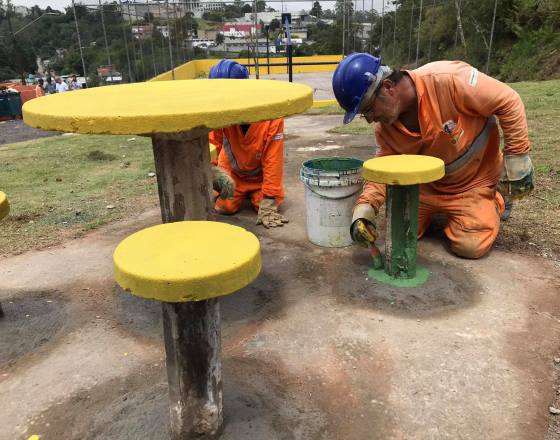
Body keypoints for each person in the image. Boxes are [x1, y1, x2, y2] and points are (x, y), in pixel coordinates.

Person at [332, 53, 534, 259]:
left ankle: (496, 199)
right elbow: (384, 169)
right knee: (400, 233)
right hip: (426, 187)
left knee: (470, 246)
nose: (369, 119)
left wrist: (517, 157)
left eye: (368, 109)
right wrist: (366, 207)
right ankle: (440, 212)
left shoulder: (448, 80)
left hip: (473, 181)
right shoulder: (385, 128)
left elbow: (509, 101)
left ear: (388, 87)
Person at [208, 59, 288, 228]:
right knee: (225, 207)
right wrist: (213, 174)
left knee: (263, 205)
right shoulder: (219, 112)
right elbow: (212, 143)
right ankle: (235, 190)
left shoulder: (271, 117)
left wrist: (269, 199)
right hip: (232, 172)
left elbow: (273, 161)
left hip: (260, 177)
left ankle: (258, 193)